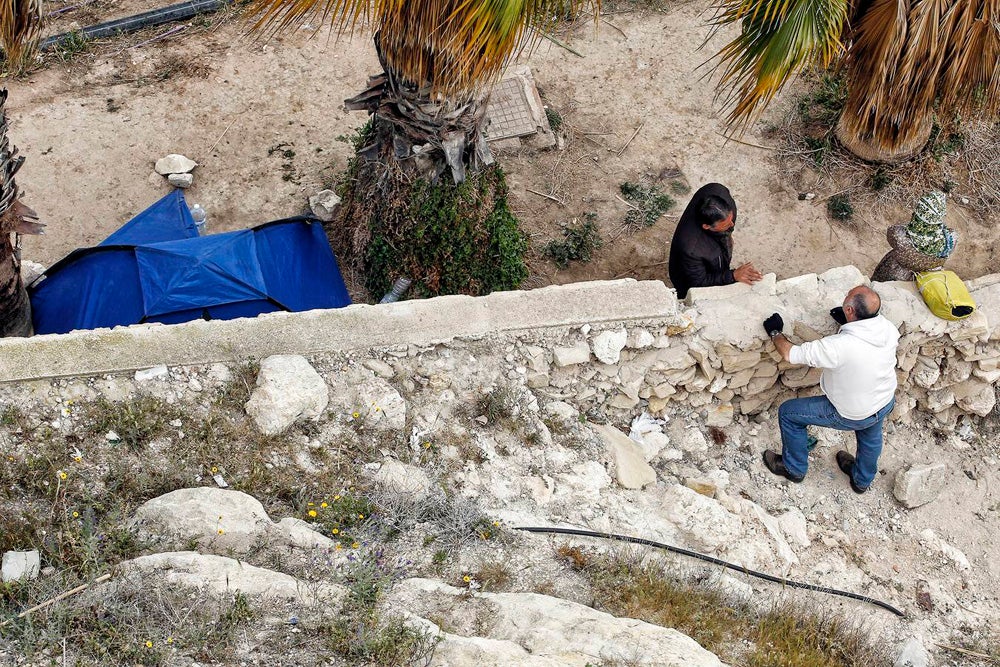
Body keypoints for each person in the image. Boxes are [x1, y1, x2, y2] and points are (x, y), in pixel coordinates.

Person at [760, 285, 899, 494]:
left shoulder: (838, 346)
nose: (845, 296)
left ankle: (793, 468)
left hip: (851, 413)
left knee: (788, 413)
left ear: (851, 311)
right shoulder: (887, 328)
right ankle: (861, 480)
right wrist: (847, 323)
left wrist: (775, 332)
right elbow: (863, 347)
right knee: (871, 438)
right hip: (884, 400)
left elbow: (790, 354)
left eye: (847, 297)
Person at [668, 182, 762, 299]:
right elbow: (698, 283)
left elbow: (728, 223)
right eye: (726, 225)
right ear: (707, 226)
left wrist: (727, 234)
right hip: (686, 277)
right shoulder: (691, 249)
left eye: (731, 219)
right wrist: (732, 276)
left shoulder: (719, 193)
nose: (732, 224)